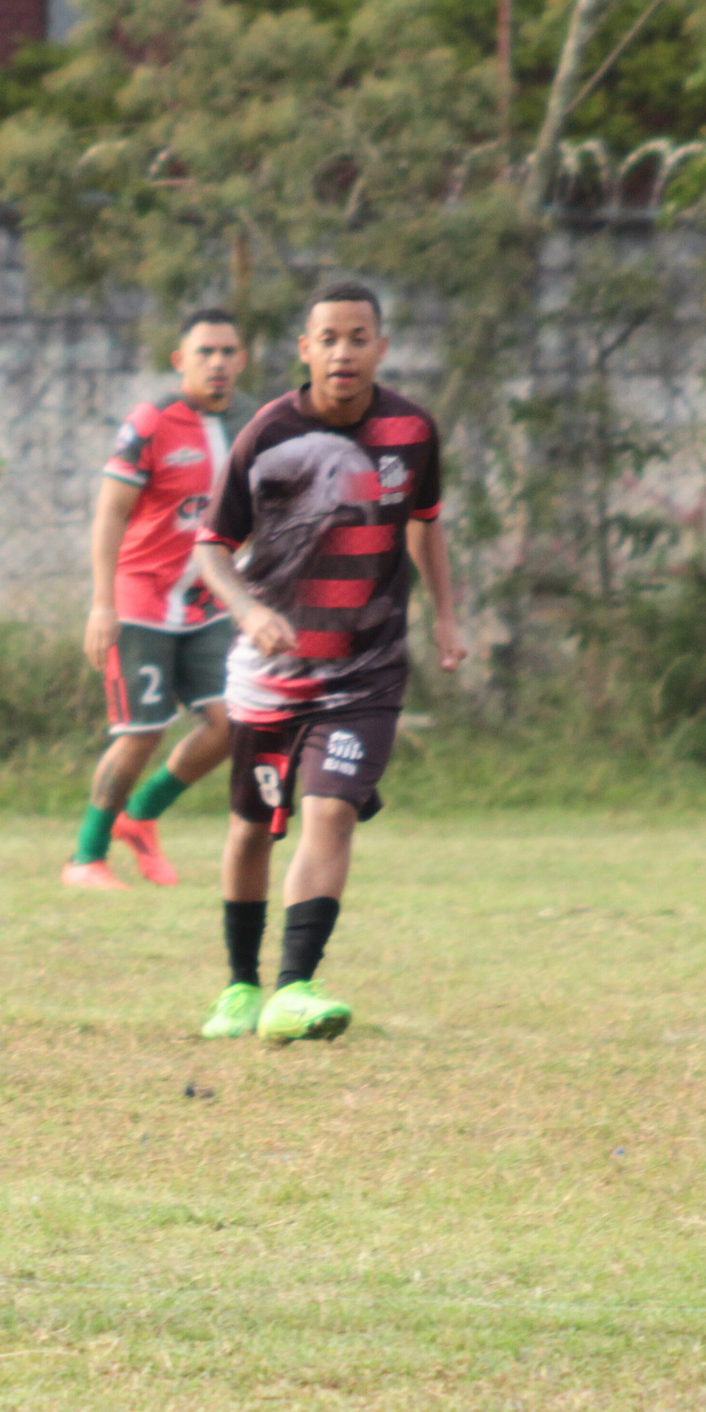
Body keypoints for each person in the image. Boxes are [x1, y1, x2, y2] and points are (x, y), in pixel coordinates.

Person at [192, 281, 465, 1042]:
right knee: (252, 827)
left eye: (359, 336)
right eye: (329, 338)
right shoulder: (266, 433)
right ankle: (241, 987)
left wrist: (445, 613)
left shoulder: (413, 429)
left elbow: (427, 523)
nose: (344, 351)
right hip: (272, 671)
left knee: (331, 809)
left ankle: (294, 986)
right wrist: (249, 609)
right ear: (304, 350)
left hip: (367, 669)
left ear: (381, 346)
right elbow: (211, 548)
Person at [63, 309, 254, 891]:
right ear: (181, 362)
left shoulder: (254, 426)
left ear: (241, 360)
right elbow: (110, 512)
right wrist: (102, 604)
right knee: (141, 733)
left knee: (233, 723)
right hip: (140, 602)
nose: (217, 363)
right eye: (205, 353)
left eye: (228, 352)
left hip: (206, 604)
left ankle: (141, 817)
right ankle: (85, 860)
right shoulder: (151, 422)